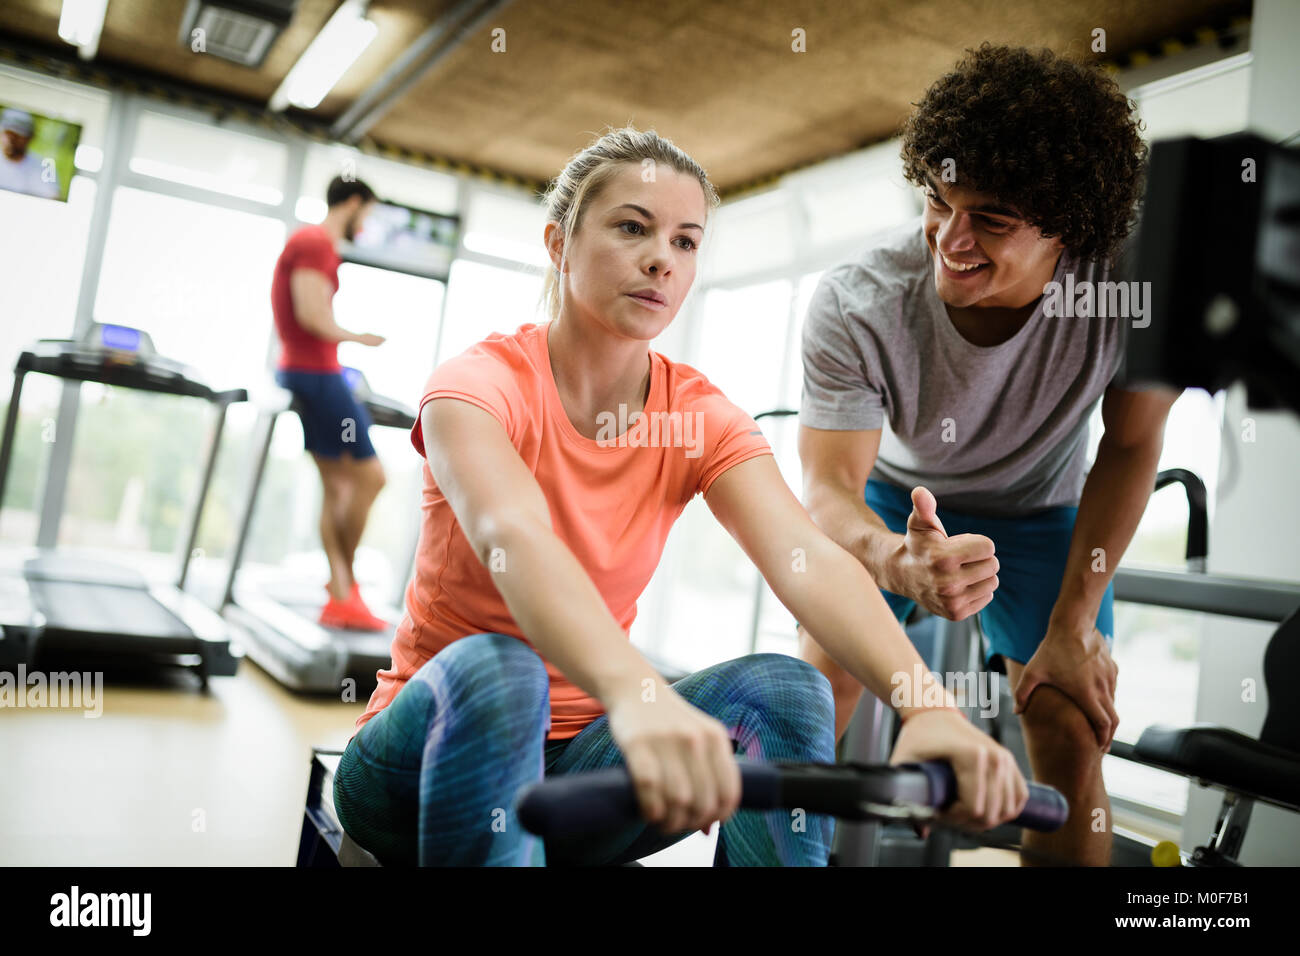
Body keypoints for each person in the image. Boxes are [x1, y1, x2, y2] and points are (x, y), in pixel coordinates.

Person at [332, 127, 1030, 867]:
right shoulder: (478, 387)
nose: (662, 257)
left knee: (788, 687)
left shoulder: (695, 415)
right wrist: (637, 692)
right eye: (633, 227)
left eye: (686, 241)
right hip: (415, 769)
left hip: (577, 772)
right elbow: (517, 538)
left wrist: (930, 707)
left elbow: (807, 561)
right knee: (500, 668)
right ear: (559, 242)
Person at [795, 44, 1180, 867]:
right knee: (812, 688)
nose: (950, 238)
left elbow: (1134, 441)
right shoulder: (857, 300)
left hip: (1042, 511)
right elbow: (828, 490)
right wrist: (891, 558)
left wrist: (1077, 621)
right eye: (939, 201)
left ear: (1068, 231)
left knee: (1071, 730)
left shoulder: (1130, 292)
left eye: (992, 220)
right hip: (894, 502)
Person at [270, 175, 390, 631]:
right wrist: (361, 337)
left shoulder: (312, 243)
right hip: (316, 373)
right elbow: (311, 316)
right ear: (354, 203)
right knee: (372, 478)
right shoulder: (316, 242)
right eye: (369, 212)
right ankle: (346, 586)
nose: (368, 222)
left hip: (309, 371)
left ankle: (341, 591)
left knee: (339, 485)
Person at [0, 108, 60, 200]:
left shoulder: (44, 167)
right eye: (8, 134)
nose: (10, 140)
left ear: (29, 137)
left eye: (17, 135)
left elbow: (53, 199)